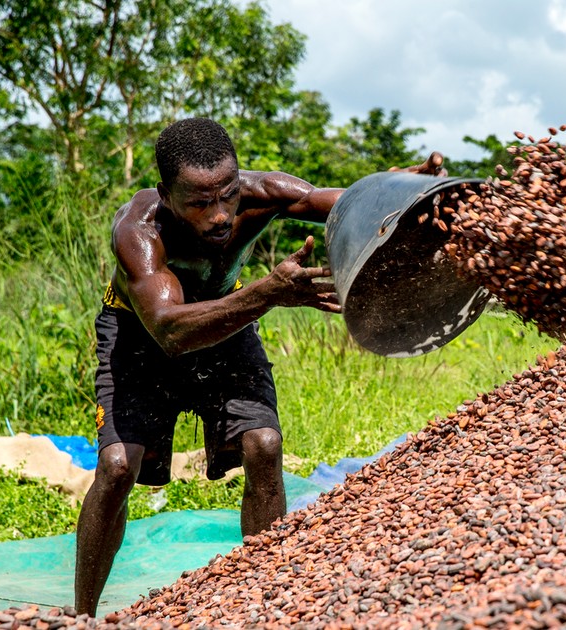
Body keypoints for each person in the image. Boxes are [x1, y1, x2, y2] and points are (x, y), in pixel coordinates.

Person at [75, 117, 444, 615]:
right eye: (200, 203)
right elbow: (170, 331)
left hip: (228, 321)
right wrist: (267, 294)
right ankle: (82, 615)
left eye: (227, 195)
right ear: (166, 196)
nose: (219, 215)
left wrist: (403, 193)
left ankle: (268, 603)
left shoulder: (263, 193)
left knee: (264, 444)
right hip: (144, 336)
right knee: (118, 466)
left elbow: (344, 204)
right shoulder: (138, 232)